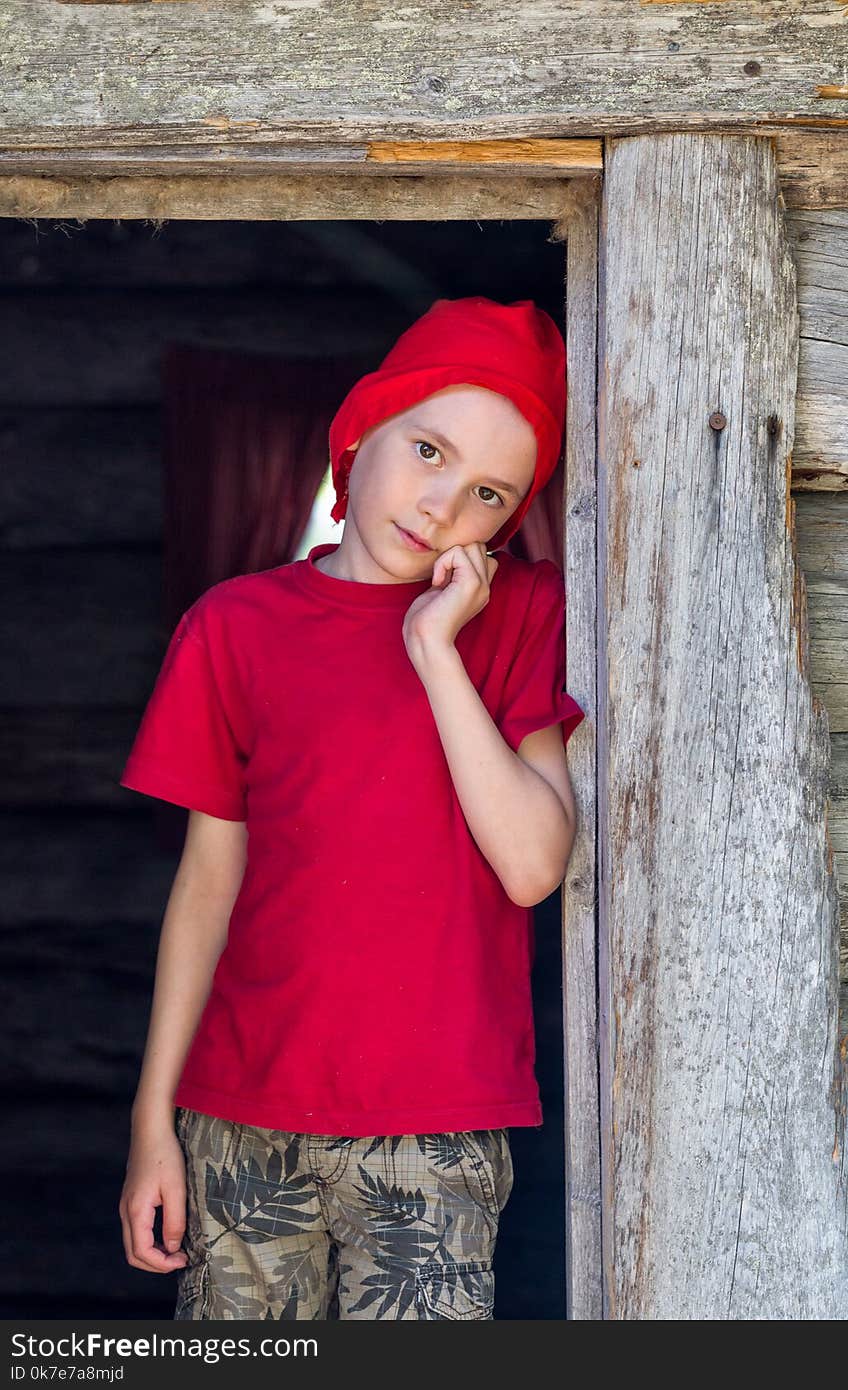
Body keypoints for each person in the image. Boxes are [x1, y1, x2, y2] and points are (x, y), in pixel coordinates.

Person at [117, 295, 586, 1320]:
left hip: (438, 1128)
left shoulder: (517, 619)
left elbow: (532, 865)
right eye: (427, 449)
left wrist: (434, 649)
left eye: (487, 494)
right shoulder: (234, 627)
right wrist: (156, 1119)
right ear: (360, 427)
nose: (442, 507)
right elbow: (207, 886)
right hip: (239, 1116)